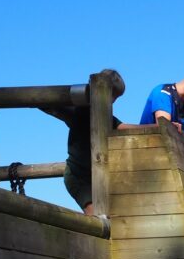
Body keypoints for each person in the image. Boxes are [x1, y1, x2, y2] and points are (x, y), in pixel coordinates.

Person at [41, 69, 137, 215]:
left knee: (106, 214)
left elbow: (120, 126)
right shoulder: (83, 110)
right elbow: (121, 127)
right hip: (77, 176)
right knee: (95, 214)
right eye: (113, 96)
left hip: (95, 176)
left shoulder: (103, 116)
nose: (113, 101)